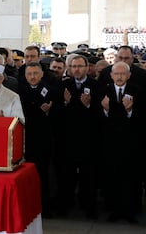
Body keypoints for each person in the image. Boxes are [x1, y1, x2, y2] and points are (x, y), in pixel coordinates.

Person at [59, 54, 101, 219]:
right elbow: (57, 114)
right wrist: (66, 104)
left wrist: (89, 105)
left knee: (88, 177)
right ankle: (65, 205)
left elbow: (101, 114)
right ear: (69, 69)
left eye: (80, 66)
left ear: (87, 68)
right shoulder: (64, 85)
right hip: (67, 140)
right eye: (73, 66)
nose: (76, 69)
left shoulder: (96, 86)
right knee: (66, 176)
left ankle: (89, 207)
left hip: (88, 140)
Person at [100, 62, 143, 224]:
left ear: (128, 76)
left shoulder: (137, 92)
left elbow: (141, 119)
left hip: (131, 145)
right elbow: (98, 121)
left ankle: (129, 211)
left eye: (122, 74)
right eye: (116, 74)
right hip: (110, 145)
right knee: (113, 178)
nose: (119, 77)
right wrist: (106, 110)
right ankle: (115, 210)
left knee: (130, 179)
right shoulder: (104, 91)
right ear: (111, 75)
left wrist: (130, 111)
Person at [19, 61, 59, 218]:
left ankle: (45, 207)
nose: (33, 77)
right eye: (29, 74)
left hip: (44, 141)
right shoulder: (19, 92)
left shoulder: (52, 91)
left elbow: (59, 118)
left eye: (35, 73)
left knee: (43, 174)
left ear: (42, 74)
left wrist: (49, 112)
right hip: (26, 140)